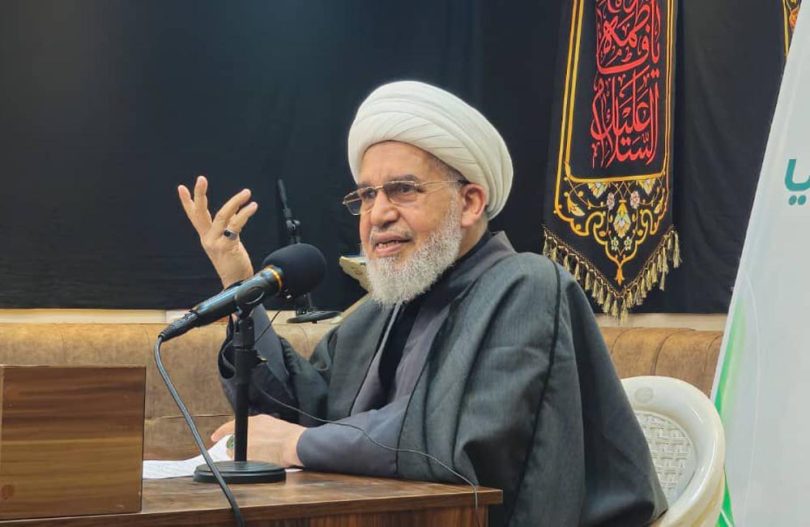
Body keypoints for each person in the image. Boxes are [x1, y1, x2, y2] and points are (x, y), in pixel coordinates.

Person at [178, 81, 666, 526]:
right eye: (367, 195)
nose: (378, 214)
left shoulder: (527, 286)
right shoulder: (381, 312)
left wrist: (296, 444)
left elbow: (456, 441)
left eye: (402, 190)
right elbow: (304, 409)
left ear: (470, 203)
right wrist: (239, 285)